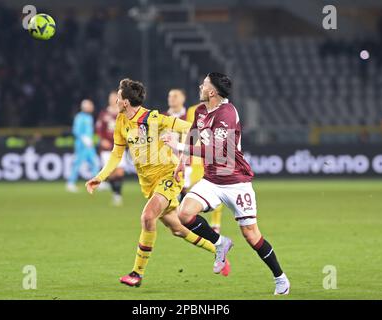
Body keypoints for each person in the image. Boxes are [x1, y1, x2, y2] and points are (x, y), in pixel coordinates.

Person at [85, 79, 229, 288]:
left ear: (125, 102)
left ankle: (137, 273)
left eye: (118, 96)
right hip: (149, 184)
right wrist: (100, 176)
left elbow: (191, 127)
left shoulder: (152, 118)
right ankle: (218, 248)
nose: (115, 99)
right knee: (178, 229)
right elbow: (117, 154)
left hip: (168, 176)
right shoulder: (121, 121)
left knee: (147, 216)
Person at [163, 72, 290, 295]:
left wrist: (178, 148)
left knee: (251, 235)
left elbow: (217, 152)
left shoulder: (227, 114)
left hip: (236, 181)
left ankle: (280, 278)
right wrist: (182, 163)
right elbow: (193, 135)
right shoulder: (201, 111)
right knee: (184, 214)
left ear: (212, 91)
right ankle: (220, 242)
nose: (200, 86)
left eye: (204, 84)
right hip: (212, 180)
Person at [166, 88, 224, 233]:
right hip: (178, 159)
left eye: (175, 95)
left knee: (217, 187)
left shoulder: (218, 111)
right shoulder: (185, 113)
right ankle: (183, 222)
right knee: (181, 190)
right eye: (170, 96)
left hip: (199, 159)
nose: (172, 98)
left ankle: (215, 224)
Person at [96, 90, 126, 206]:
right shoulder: (104, 114)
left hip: (119, 147)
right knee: (112, 173)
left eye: (116, 97)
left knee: (120, 172)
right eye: (111, 97)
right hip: (106, 148)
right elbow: (99, 129)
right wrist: (102, 140)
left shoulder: (123, 113)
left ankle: (118, 195)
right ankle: (115, 194)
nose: (113, 99)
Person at [67, 99, 99, 192]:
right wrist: (84, 139)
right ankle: (70, 183)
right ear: (85, 107)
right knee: (77, 163)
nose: (92, 107)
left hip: (89, 146)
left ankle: (96, 182)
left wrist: (90, 140)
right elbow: (76, 131)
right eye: (90, 105)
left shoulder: (89, 117)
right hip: (81, 145)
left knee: (95, 162)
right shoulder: (79, 117)